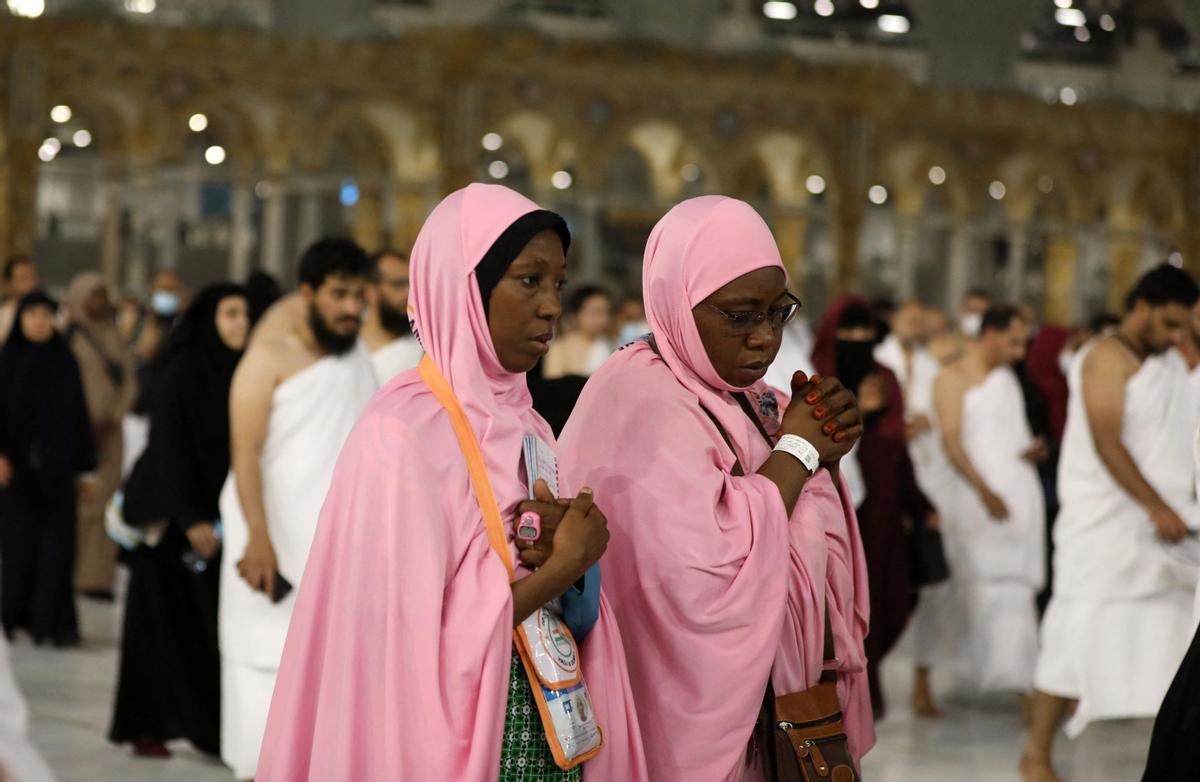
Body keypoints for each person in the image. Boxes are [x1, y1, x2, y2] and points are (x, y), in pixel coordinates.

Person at [256, 184, 646, 780]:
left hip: (547, 727)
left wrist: (571, 554)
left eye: (559, 285)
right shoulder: (402, 434)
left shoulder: (530, 424)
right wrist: (564, 566)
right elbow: (405, 655)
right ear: (466, 288)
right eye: (529, 281)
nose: (551, 307)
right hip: (458, 743)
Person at [558, 196, 875, 779]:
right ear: (677, 302)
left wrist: (824, 440)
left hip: (779, 720)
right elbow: (702, 579)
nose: (764, 338)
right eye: (740, 315)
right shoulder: (637, 402)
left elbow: (802, 521)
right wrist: (800, 451)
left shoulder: (747, 400)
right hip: (680, 726)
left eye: (778, 312)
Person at [1021, 265, 1200, 782]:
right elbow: (1107, 442)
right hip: (1105, 522)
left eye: (1184, 327)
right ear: (1140, 306)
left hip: (1164, 526)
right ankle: (1035, 752)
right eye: (1169, 324)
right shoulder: (1104, 357)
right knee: (1074, 633)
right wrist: (1155, 506)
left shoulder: (1168, 363)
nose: (1176, 337)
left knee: (1167, 632)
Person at [218, 238, 377, 781]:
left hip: (337, 553)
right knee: (263, 679)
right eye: (339, 294)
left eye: (360, 295)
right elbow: (244, 455)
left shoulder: (357, 357)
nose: (352, 307)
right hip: (270, 544)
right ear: (307, 293)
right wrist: (258, 537)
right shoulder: (267, 359)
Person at [109, 284, 249, 760]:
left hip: (214, 521)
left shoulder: (240, 371)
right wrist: (190, 517)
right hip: (169, 519)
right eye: (230, 314)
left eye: (244, 314)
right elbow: (169, 448)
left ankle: (210, 726)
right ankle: (144, 724)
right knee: (154, 626)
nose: (239, 324)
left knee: (201, 624)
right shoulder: (182, 372)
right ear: (208, 319)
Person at [813, 295, 936, 718]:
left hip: (879, 513)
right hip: (829, 510)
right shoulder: (816, 375)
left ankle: (869, 687)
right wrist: (857, 413)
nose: (858, 340)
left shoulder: (885, 377)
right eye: (849, 332)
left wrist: (918, 504)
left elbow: (896, 447)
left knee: (883, 598)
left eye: (866, 332)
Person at [934, 306, 1046, 700]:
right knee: (978, 583)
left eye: (1023, 344)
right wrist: (984, 490)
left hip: (1018, 492)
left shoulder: (1008, 379)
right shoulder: (952, 376)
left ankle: (1023, 684)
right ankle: (978, 671)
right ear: (990, 333)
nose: (1019, 352)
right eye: (1013, 342)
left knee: (1016, 590)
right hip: (975, 496)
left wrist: (1032, 450)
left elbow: (1011, 433)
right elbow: (952, 440)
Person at [874, 300, 955, 717]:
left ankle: (923, 683)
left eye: (921, 322)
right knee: (878, 585)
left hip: (929, 478)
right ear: (895, 323)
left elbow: (946, 421)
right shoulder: (877, 362)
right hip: (885, 483)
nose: (915, 326)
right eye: (909, 320)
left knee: (926, 588)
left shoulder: (932, 368)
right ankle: (870, 679)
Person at [0, 292, 96, 646]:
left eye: (46, 314)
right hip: (16, 473)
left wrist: (87, 470)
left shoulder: (64, 361)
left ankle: (50, 623)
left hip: (58, 472)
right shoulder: (7, 360)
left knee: (57, 551)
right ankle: (12, 617)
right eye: (32, 314)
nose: (39, 321)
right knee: (18, 548)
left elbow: (78, 417)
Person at [64, 272, 137, 601]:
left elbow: (130, 383)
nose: (99, 302)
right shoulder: (68, 337)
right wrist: (80, 423)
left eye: (102, 295)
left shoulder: (115, 337)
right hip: (77, 434)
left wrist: (115, 415)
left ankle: (97, 578)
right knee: (81, 502)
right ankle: (72, 574)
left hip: (110, 433)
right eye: (92, 295)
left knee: (106, 502)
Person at [359, 248, 423, 383]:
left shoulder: (423, 348)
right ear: (370, 290)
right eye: (398, 285)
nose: (409, 294)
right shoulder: (346, 344)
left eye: (411, 285)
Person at [542, 285, 613, 379]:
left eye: (605, 312)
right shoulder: (559, 348)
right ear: (575, 315)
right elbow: (552, 385)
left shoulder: (612, 345)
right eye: (595, 312)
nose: (602, 319)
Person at [0, 255, 39, 344]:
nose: (31, 284)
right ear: (8, 285)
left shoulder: (47, 313)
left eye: (33, 277)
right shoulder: (2, 315)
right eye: (24, 278)